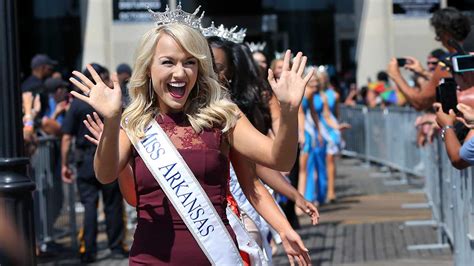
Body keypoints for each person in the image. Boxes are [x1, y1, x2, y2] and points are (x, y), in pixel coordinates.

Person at [69, 7, 312, 265]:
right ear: (148, 67)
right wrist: (112, 119)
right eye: (168, 62)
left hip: (214, 256)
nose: (180, 72)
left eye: (189, 62)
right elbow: (106, 174)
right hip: (151, 259)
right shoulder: (134, 122)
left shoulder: (224, 116)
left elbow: (280, 160)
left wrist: (288, 112)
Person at [61, 63, 127, 263]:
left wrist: (64, 164)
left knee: (90, 206)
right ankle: (115, 246)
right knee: (112, 205)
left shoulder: (77, 104)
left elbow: (66, 136)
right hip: (108, 155)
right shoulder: (112, 101)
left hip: (88, 159)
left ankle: (88, 250)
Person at [387, 7, 471, 110]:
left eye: (438, 34)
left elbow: (420, 102)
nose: (438, 38)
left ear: (444, 33)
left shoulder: (449, 64)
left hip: (462, 123)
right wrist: (423, 72)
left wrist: (396, 76)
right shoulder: (468, 57)